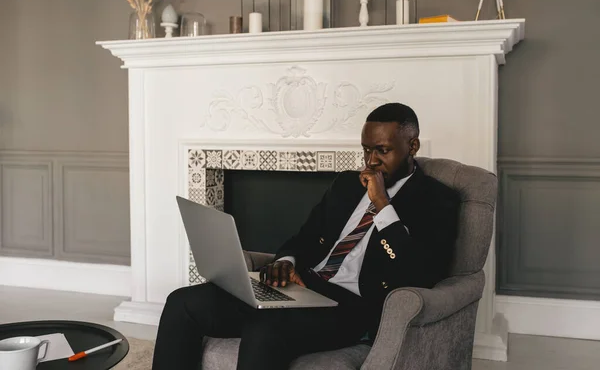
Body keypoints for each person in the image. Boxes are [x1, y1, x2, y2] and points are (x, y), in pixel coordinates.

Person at [151, 103, 460, 370]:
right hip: (302, 286)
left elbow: (419, 271)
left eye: (383, 150)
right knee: (182, 303)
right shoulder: (346, 185)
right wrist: (286, 261)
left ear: (413, 146)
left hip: (352, 308)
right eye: (367, 149)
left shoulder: (437, 199)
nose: (371, 160)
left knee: (264, 329)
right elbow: (305, 237)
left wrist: (381, 203)